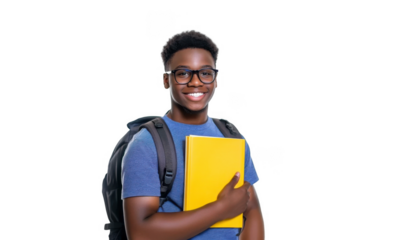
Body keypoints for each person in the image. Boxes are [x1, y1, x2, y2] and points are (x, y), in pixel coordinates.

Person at [122, 29, 265, 240]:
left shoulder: (231, 136)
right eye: (183, 73)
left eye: (205, 73)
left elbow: (251, 210)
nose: (196, 82)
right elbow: (140, 232)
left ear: (215, 80)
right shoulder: (146, 143)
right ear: (166, 81)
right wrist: (221, 209)